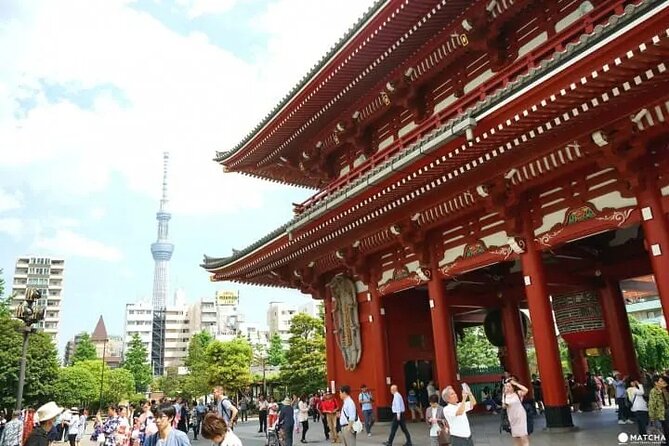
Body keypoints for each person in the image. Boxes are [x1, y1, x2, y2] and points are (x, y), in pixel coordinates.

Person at [502, 378, 530, 446]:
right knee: (516, 437)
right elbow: (503, 406)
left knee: (523, 436)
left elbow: (526, 390)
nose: (507, 388)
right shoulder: (505, 395)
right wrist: (505, 403)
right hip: (512, 417)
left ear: (513, 387)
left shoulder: (517, 393)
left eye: (509, 386)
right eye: (506, 386)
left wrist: (515, 383)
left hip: (520, 416)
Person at [648, 375, 669, 445]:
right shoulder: (653, 391)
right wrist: (652, 418)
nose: (663, 382)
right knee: (665, 432)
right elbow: (651, 405)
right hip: (661, 414)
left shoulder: (665, 389)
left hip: (667, 412)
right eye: (661, 381)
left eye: (663, 381)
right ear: (656, 383)